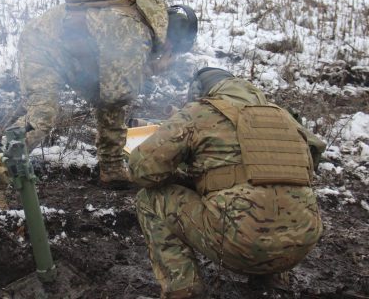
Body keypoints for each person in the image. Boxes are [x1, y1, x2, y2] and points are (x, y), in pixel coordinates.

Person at [0, 0, 198, 208]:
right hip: (42, 47)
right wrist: (152, 68)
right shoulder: (133, 32)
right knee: (43, 115)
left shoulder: (146, 21)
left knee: (111, 105)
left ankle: (111, 168)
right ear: (171, 40)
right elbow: (118, 92)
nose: (167, 53)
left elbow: (113, 91)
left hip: (76, 57)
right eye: (173, 50)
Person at [128, 67, 325, 298]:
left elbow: (142, 170)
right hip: (300, 244)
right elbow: (315, 152)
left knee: (149, 199)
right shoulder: (284, 116)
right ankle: (271, 282)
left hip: (238, 244)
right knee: (277, 192)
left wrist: (190, 173)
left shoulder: (199, 112)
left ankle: (183, 289)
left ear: (200, 92)